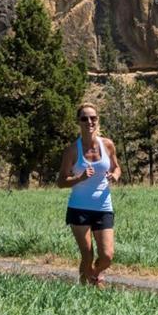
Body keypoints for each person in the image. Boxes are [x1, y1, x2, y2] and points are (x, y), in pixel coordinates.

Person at [57, 103, 120, 287]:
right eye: (84, 118)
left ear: (98, 120)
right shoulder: (72, 150)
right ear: (79, 122)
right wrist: (80, 177)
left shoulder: (107, 144)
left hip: (103, 207)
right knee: (87, 255)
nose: (89, 122)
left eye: (93, 118)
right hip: (79, 208)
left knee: (107, 256)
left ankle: (94, 276)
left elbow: (116, 167)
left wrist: (115, 175)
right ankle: (87, 290)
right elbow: (61, 182)